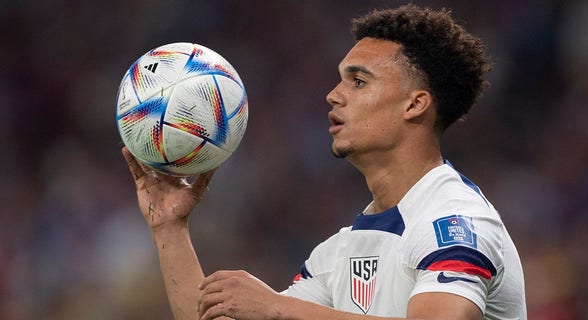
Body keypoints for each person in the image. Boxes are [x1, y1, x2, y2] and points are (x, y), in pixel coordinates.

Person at [122, 4, 526, 320]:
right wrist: (170, 229)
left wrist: (279, 307)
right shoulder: (341, 251)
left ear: (415, 104)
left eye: (358, 81)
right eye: (340, 79)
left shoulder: (455, 220)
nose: (333, 95)